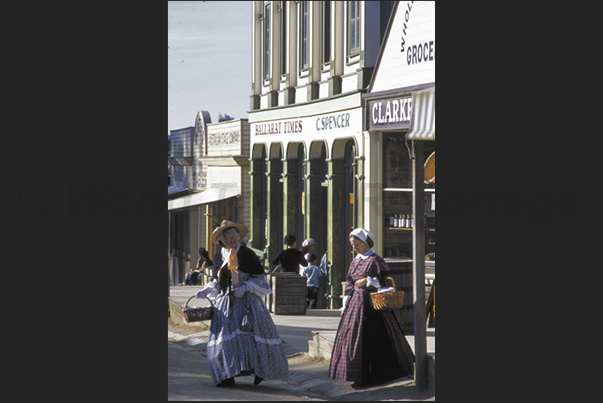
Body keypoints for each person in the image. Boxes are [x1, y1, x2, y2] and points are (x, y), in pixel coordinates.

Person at [194, 220, 289, 387]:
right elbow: (218, 281)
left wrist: (246, 287)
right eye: (228, 236)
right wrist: (207, 290)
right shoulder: (218, 256)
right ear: (221, 239)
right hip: (226, 303)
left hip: (248, 302)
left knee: (251, 336)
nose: (232, 239)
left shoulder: (247, 254)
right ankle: (227, 374)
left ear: (239, 236)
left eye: (234, 235)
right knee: (225, 339)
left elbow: (261, 280)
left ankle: (259, 371)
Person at [329, 228, 415, 388]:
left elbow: (386, 282)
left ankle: (376, 375)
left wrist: (368, 281)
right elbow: (349, 284)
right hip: (355, 305)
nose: (355, 248)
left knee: (372, 338)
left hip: (372, 306)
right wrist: (344, 304)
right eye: (353, 245)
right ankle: (357, 376)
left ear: (366, 242)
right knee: (353, 339)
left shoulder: (376, 259)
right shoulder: (355, 260)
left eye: (357, 244)